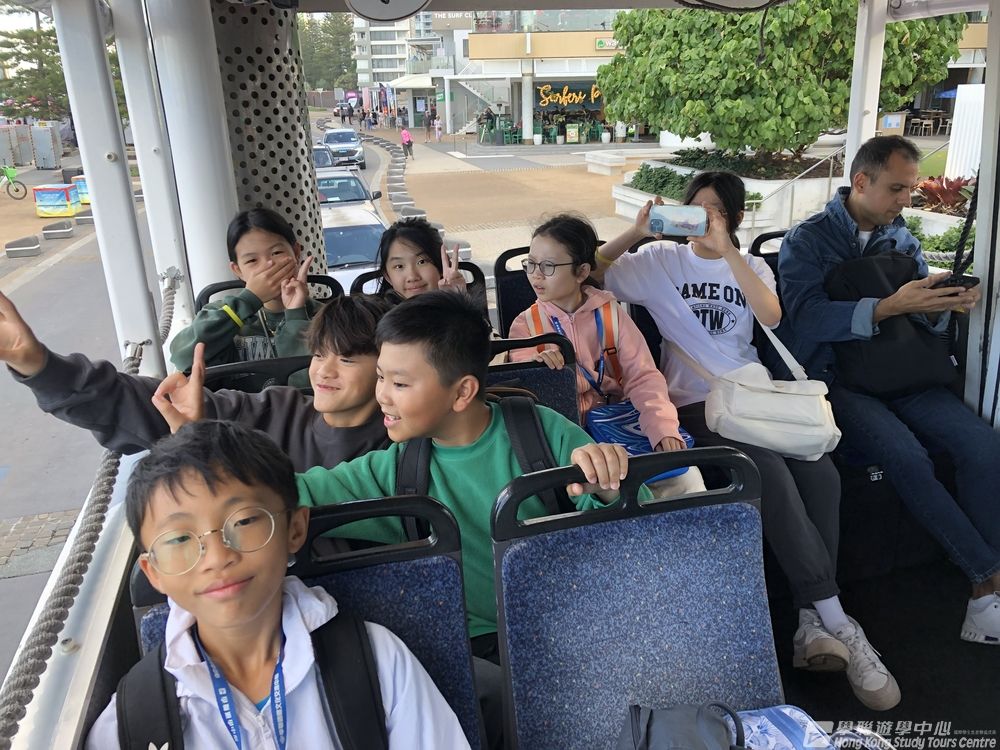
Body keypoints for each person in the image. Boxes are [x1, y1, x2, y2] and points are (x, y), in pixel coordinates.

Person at [593, 171, 901, 710]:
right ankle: (836, 620)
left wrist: (727, 250)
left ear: (734, 218)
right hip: (695, 403)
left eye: (715, 211)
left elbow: (772, 316)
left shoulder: (750, 265)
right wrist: (638, 231)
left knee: (822, 476)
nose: (701, 219)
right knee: (769, 474)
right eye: (694, 208)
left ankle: (808, 622)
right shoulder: (659, 260)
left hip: (754, 398)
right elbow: (593, 270)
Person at [294, 290, 638, 747]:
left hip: (570, 630)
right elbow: (299, 492)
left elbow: (635, 523)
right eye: (380, 377)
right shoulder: (396, 471)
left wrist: (605, 483)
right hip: (474, 652)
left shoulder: (540, 433)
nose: (382, 396)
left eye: (399, 384)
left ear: (462, 392)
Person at [84, 420, 469, 749]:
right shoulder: (130, 723)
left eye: (244, 521)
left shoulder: (376, 662)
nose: (217, 557)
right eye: (180, 538)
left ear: (295, 529)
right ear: (153, 572)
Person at [778, 135, 1000, 646]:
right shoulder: (807, 241)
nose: (906, 199)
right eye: (897, 188)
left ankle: (986, 596)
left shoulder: (902, 241)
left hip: (904, 372)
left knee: (983, 447)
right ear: (861, 181)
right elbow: (806, 319)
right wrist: (888, 306)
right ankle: (986, 579)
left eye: (910, 188)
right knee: (907, 457)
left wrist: (940, 305)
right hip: (840, 380)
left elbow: (922, 320)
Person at [0, 290, 391, 472]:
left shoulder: (404, 444)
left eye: (346, 359)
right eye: (319, 354)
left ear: (386, 369)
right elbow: (144, 403)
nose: (324, 371)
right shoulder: (277, 412)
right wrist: (42, 368)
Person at [507, 214, 685, 456]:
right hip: (560, 437)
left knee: (686, 475)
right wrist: (539, 370)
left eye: (548, 266)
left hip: (615, 427)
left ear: (581, 272)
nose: (536, 274)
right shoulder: (526, 326)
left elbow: (643, 376)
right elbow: (525, 389)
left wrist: (662, 427)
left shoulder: (611, 315)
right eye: (530, 263)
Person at [169, 208, 320, 379]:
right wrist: (248, 300)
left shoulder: (327, 316)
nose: (268, 265)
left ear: (296, 252)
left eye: (277, 253)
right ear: (237, 270)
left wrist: (296, 314)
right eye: (252, 260)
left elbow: (310, 383)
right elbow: (182, 357)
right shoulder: (221, 314)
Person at [374, 217, 467, 302]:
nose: (412, 277)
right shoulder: (376, 313)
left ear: (440, 266)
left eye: (421, 262)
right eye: (399, 266)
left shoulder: (462, 305)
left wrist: (456, 301)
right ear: (388, 277)